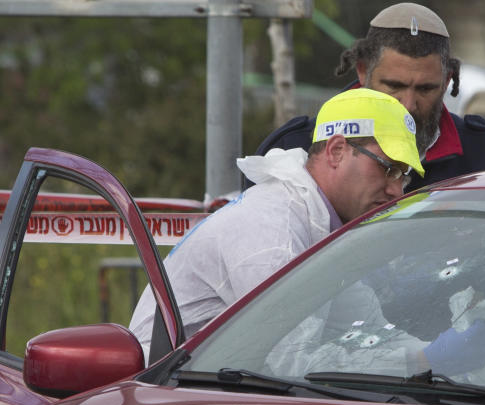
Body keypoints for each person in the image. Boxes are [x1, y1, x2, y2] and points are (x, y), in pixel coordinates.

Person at [129, 88, 423, 361]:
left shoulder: (316, 225)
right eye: (388, 169)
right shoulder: (273, 230)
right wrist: (424, 362)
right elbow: (292, 362)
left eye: (404, 175)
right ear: (336, 151)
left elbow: (369, 327)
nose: (396, 191)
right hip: (166, 401)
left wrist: (434, 358)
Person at [251, 2, 485, 192]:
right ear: (362, 71)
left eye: (426, 89)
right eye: (394, 85)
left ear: (447, 80)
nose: (408, 105)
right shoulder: (295, 148)